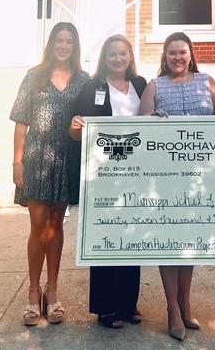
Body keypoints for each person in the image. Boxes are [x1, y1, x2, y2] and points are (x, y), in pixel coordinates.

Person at [139, 31, 215, 341]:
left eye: (183, 52)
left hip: (199, 174)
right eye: (172, 52)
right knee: (168, 242)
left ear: (190, 54)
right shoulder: (154, 86)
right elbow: (141, 127)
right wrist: (153, 120)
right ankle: (172, 307)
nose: (178, 57)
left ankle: (186, 304)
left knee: (190, 240)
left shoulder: (207, 81)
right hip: (164, 178)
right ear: (165, 55)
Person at [10, 22, 88, 326]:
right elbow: (20, 122)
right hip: (37, 159)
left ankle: (52, 292)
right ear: (51, 43)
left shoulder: (83, 80)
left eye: (69, 41)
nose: (64, 46)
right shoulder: (34, 76)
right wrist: (17, 163)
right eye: (59, 40)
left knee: (57, 225)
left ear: (75, 46)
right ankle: (33, 292)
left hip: (66, 159)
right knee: (38, 227)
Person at [69, 34, 147, 329]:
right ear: (105, 57)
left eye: (123, 53)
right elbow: (76, 129)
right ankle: (106, 308)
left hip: (136, 174)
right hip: (103, 173)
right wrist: (76, 127)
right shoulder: (93, 87)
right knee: (105, 238)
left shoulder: (141, 84)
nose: (118, 58)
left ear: (130, 56)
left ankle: (128, 304)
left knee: (131, 237)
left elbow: (151, 116)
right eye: (112, 54)